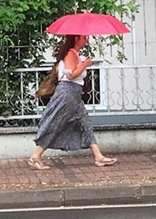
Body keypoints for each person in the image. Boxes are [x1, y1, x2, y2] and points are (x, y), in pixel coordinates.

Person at [28, 34, 118, 170]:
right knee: (55, 123)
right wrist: (85, 65)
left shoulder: (75, 54)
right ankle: (35, 157)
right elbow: (71, 75)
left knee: (85, 123)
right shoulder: (71, 53)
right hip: (67, 94)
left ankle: (99, 157)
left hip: (75, 95)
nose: (86, 40)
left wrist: (82, 64)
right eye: (84, 37)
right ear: (77, 39)